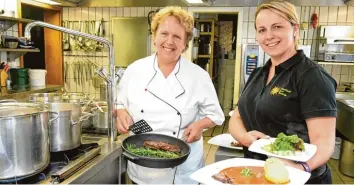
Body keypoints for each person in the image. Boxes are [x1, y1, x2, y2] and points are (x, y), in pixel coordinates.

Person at [229, 0, 337, 184]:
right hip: (260, 174)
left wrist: (301, 168)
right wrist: (245, 138)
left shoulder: (311, 76)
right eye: (262, 30)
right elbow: (237, 117)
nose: (268, 35)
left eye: (277, 27)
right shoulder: (258, 73)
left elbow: (325, 144)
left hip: (299, 178)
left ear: (295, 29)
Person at [115, 6, 224, 184]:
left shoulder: (198, 76)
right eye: (164, 33)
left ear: (185, 43)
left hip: (181, 168)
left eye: (177, 36)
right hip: (143, 166)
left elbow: (216, 116)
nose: (169, 41)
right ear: (155, 36)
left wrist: (200, 125)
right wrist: (121, 113)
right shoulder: (135, 70)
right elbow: (120, 103)